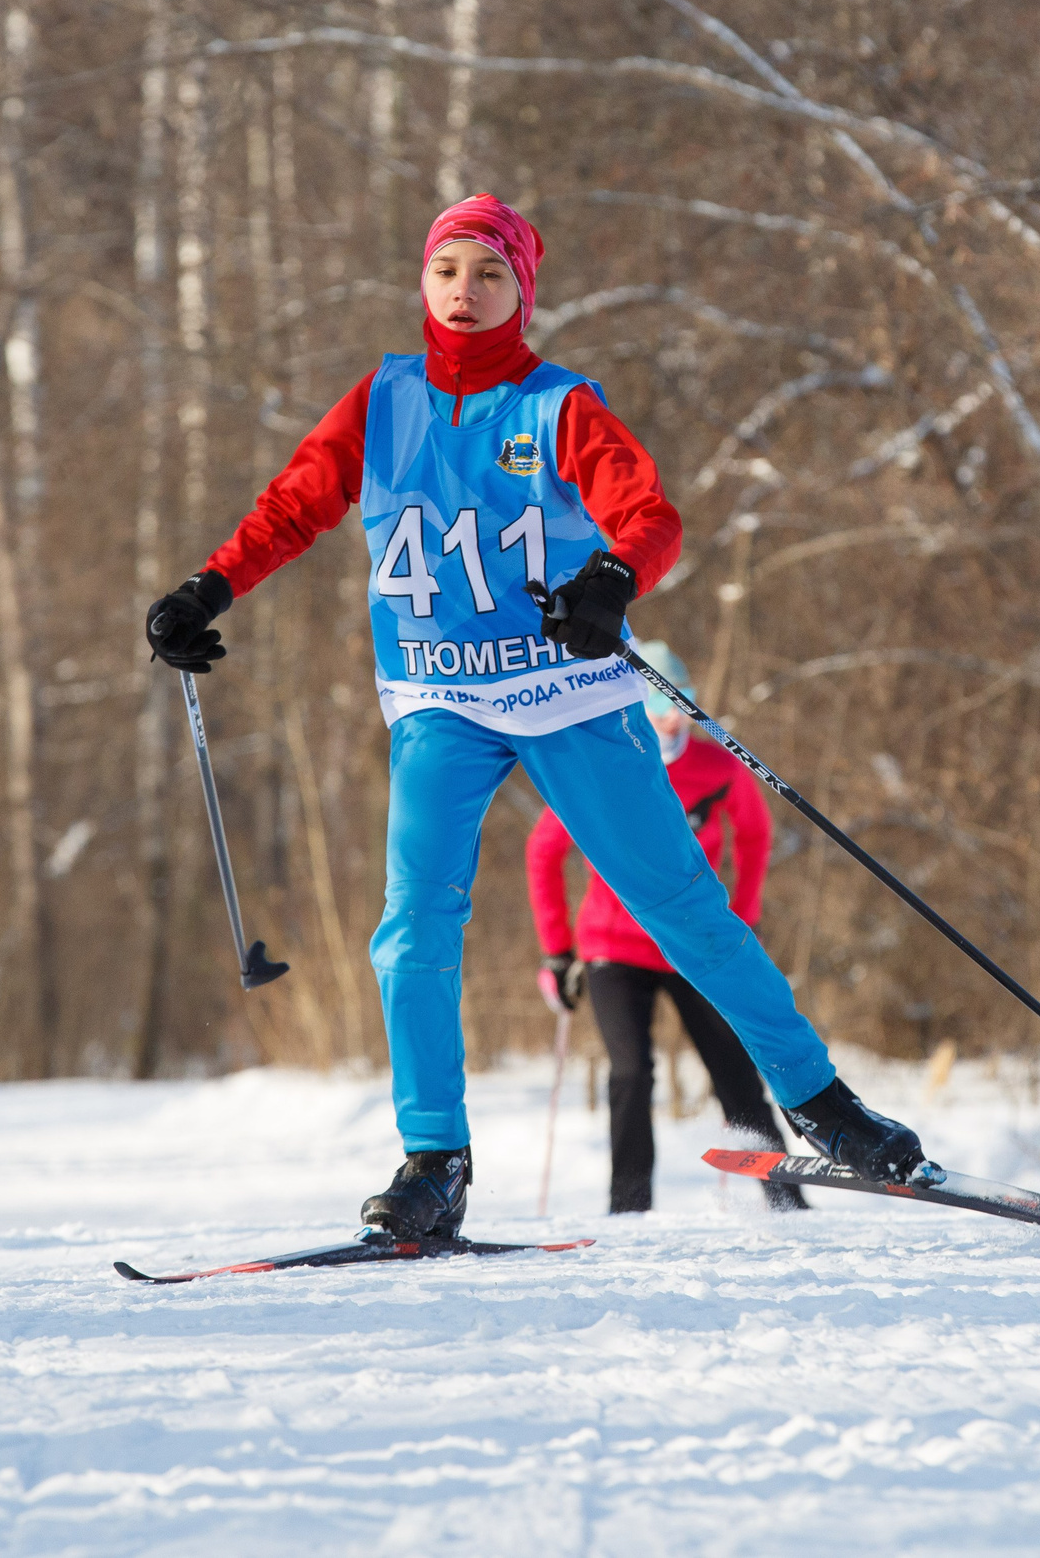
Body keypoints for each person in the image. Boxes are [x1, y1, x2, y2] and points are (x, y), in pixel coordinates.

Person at [144, 193, 927, 1240]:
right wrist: (207, 589)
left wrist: (611, 578)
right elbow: (294, 506)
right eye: (446, 271)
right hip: (438, 701)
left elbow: (649, 516)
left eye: (490, 275)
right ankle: (434, 1161)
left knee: (684, 909)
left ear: (523, 291)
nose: (465, 292)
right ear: (422, 282)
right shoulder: (381, 401)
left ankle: (823, 1106)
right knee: (412, 927)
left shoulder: (558, 406)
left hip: (563, 696)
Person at [527, 640, 809, 1215]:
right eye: (655, 708)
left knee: (734, 1072)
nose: (669, 720)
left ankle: (785, 1201)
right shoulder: (603, 767)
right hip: (613, 947)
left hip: (695, 944)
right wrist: (558, 953)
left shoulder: (718, 767)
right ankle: (628, 1208)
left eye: (678, 705)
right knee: (631, 1072)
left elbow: (755, 835)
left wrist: (744, 915)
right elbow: (543, 852)